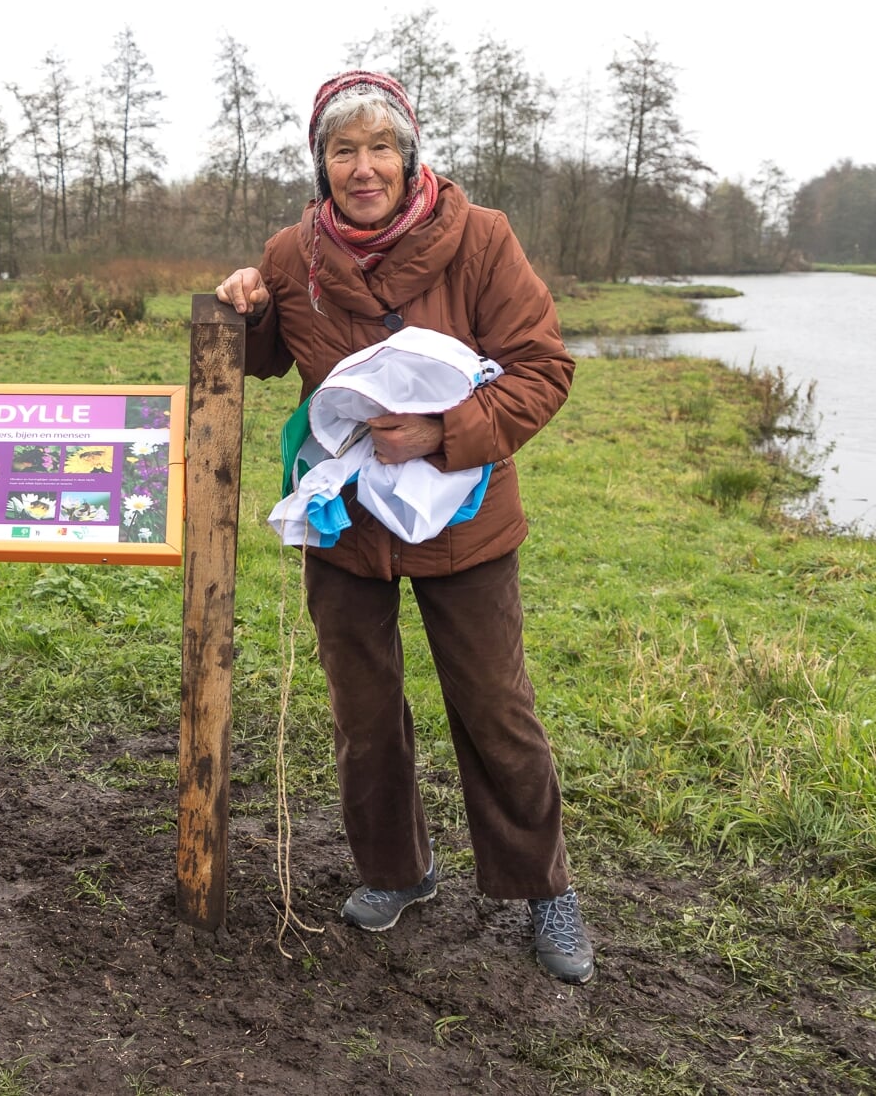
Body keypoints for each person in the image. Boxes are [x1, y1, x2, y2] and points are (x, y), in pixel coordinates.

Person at [214, 70, 592, 984]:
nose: (364, 167)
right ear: (321, 165)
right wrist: (248, 306)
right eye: (343, 150)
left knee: (496, 709)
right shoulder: (292, 253)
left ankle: (545, 890)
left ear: (409, 155)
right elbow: (264, 359)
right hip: (345, 525)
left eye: (381, 146)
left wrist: (441, 432)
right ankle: (397, 871)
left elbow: (542, 368)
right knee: (364, 716)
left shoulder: (481, 241)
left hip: (461, 519)